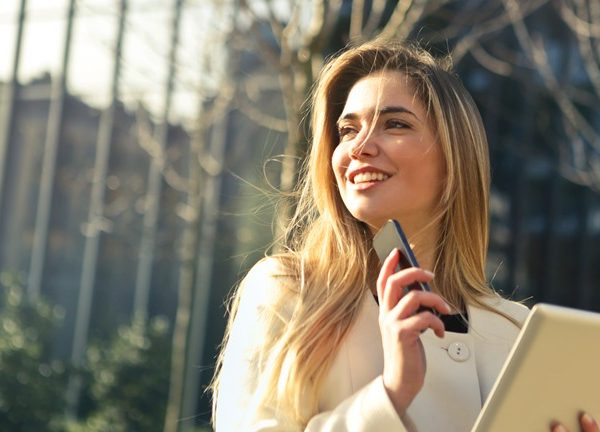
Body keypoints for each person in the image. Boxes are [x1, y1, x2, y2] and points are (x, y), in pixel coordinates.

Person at [210, 40, 598, 432]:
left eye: (395, 124)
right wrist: (391, 394)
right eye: (347, 129)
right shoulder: (289, 291)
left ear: (454, 158)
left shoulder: (516, 331)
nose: (359, 147)